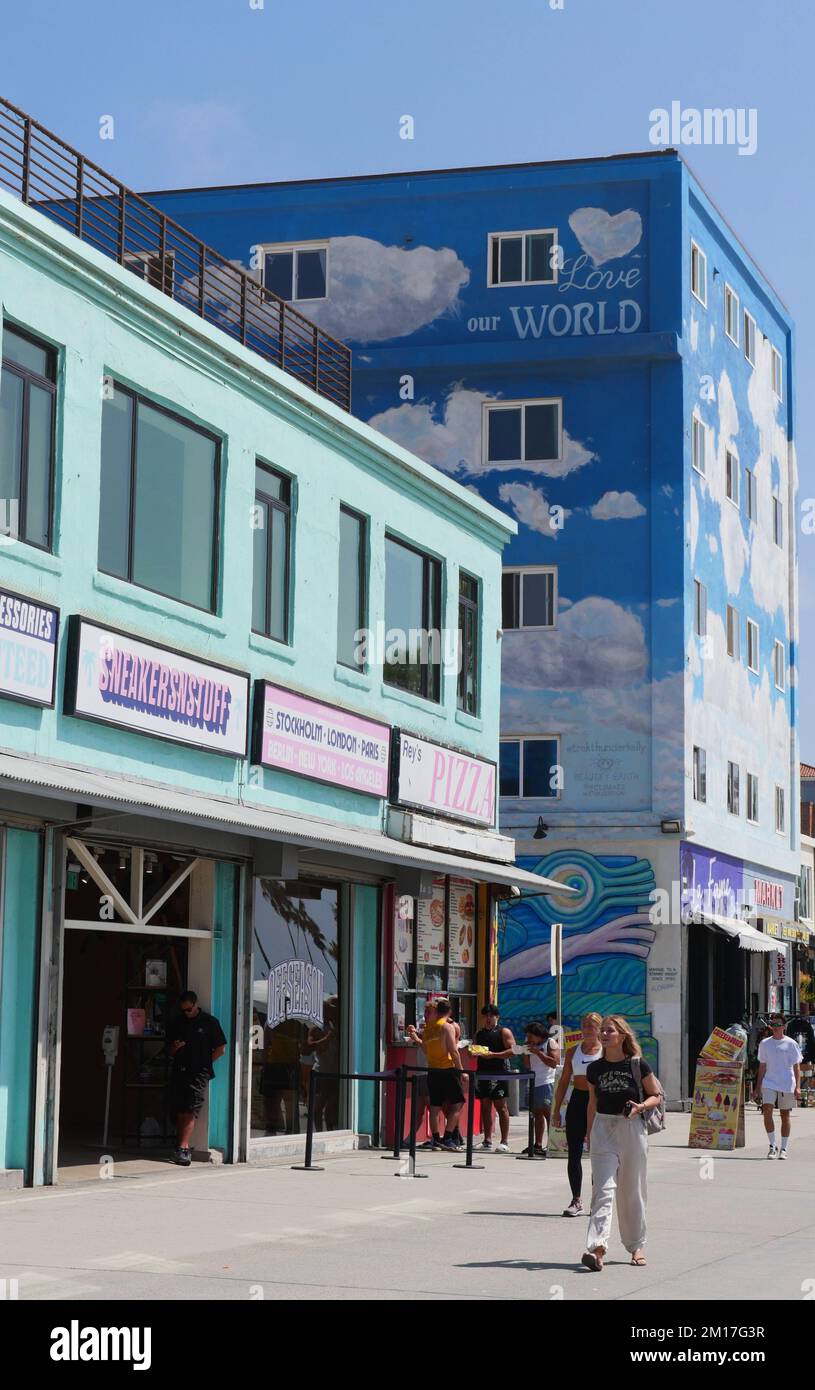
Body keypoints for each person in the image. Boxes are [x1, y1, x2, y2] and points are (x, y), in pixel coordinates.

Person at [581, 1015, 660, 1271]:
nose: (604, 1034)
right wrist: (588, 1133)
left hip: (631, 1128)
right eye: (602, 1030)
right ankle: (597, 1249)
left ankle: (636, 1245)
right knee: (602, 1190)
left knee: (631, 1190)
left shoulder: (638, 1065)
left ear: (622, 1036)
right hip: (603, 1128)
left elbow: (656, 1095)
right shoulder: (594, 1069)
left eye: (610, 1031)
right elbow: (592, 1103)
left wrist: (640, 1107)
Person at [552, 1012, 602, 1215]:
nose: (588, 1030)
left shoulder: (605, 1051)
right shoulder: (574, 1051)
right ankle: (576, 1199)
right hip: (578, 1101)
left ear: (599, 1029)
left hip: (599, 1104)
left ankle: (598, 1200)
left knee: (599, 1155)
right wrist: (556, 1110)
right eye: (585, 1026)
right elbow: (564, 1081)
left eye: (592, 1026)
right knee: (574, 1154)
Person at [169, 991, 227, 1166]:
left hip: (199, 1072)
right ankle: (179, 1145)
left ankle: (183, 1148)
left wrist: (205, 1064)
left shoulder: (209, 1022)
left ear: (196, 1004)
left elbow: (221, 1048)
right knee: (180, 1110)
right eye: (184, 1010)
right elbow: (169, 1049)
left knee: (191, 1109)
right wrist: (175, 1048)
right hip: (180, 1070)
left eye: (189, 1009)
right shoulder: (178, 1022)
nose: (187, 1013)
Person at [407, 998, 466, 1150]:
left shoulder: (428, 1029)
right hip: (447, 1070)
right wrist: (461, 1071)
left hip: (433, 1071)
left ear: (436, 1011)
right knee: (457, 1105)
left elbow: (426, 1050)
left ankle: (435, 1138)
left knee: (434, 1108)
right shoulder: (447, 1027)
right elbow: (453, 1051)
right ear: (449, 1011)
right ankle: (447, 1138)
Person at [754, 1013, 802, 1159]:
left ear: (783, 1026)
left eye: (778, 1025)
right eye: (773, 1024)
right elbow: (762, 1066)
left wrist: (798, 1086)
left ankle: (784, 1148)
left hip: (787, 1083)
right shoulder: (764, 1043)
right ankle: (772, 1145)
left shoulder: (791, 1043)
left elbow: (797, 1067)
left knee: (784, 1114)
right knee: (767, 1110)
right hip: (769, 1082)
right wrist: (757, 1087)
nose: (775, 1027)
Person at [473, 1004, 516, 1153]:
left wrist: (494, 1055)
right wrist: (472, 1051)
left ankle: (504, 1141)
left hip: (499, 1072)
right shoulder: (479, 1033)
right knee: (485, 1106)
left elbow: (513, 1051)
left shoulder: (504, 1032)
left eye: (491, 1016)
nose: (488, 1019)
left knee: (501, 1106)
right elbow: (474, 1049)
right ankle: (487, 1140)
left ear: (497, 1017)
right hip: (483, 1072)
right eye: (485, 1016)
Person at [521, 1021, 560, 1155]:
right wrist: (525, 1052)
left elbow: (554, 1063)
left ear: (538, 1035)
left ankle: (552, 1144)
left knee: (547, 1113)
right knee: (536, 1114)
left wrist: (538, 1053)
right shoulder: (531, 1044)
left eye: (531, 1036)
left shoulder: (550, 1043)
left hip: (546, 1082)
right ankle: (537, 1144)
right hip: (533, 1081)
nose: (529, 1039)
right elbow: (527, 1065)